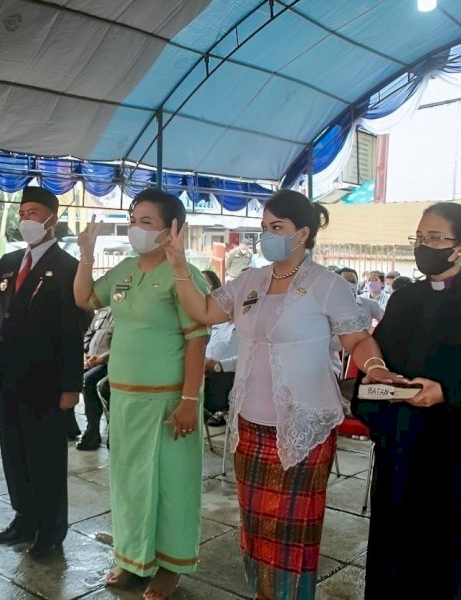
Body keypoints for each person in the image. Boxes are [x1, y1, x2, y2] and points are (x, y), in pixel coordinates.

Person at [162, 189, 402, 600]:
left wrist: (375, 366)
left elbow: (357, 339)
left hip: (302, 430)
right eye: (263, 229)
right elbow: (202, 311)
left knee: (292, 535)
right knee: (256, 529)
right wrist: (180, 264)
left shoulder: (327, 286)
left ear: (303, 233)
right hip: (249, 429)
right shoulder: (250, 281)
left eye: (277, 228)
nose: (267, 237)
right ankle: (264, 594)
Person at [74, 188, 210, 600]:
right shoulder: (127, 269)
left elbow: (197, 339)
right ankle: (133, 559)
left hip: (170, 402)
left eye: (146, 222)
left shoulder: (185, 274)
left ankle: (170, 567)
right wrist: (86, 255)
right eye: (134, 220)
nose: (136, 228)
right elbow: (84, 297)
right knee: (129, 483)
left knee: (172, 486)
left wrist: (189, 401)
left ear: (174, 229)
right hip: (126, 398)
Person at [353, 202, 461, 599]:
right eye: (419, 238)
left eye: (435, 238)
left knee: (441, 548)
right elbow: (381, 357)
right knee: (391, 541)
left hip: (449, 447)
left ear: (459, 247)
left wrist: (446, 392)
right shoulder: (405, 298)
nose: (424, 246)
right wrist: (378, 377)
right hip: (399, 439)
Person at [0, 187, 86, 559]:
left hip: (46, 380)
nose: (26, 219)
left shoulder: (68, 267)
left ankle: (51, 529)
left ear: (52, 219)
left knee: (46, 458)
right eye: (23, 212)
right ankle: (24, 518)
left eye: (34, 213)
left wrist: (71, 385)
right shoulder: (9, 262)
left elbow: (73, 329)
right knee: (13, 453)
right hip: (9, 377)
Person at [200, 271, 238, 428]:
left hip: (224, 382)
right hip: (203, 374)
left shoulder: (248, 329)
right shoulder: (217, 323)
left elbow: (251, 360)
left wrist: (218, 365)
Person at [76, 306, 114, 451]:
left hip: (110, 363)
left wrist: (101, 358)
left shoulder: (125, 313)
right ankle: (68, 426)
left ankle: (93, 430)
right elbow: (89, 334)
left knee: (89, 380)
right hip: (90, 360)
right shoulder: (102, 311)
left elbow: (123, 343)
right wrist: (85, 353)